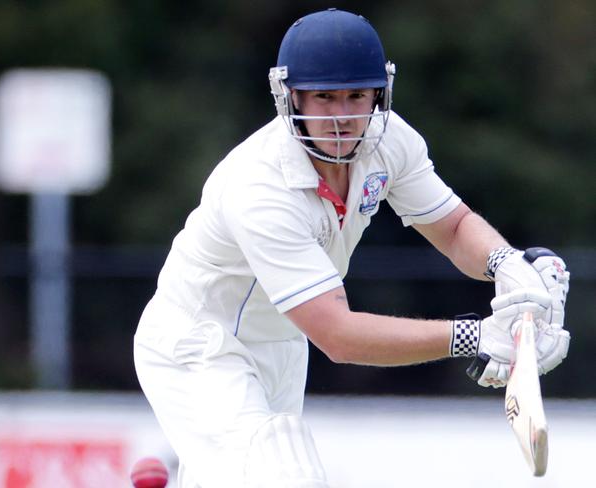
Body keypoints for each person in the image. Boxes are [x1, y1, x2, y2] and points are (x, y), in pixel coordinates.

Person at [134, 9, 570, 488]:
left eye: (355, 96)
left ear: (378, 94)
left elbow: (453, 226)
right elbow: (338, 336)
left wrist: (508, 265)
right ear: (289, 96)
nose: (341, 117)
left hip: (281, 341)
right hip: (197, 343)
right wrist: (474, 336)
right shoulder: (257, 187)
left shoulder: (389, 141)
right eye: (323, 97)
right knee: (284, 474)